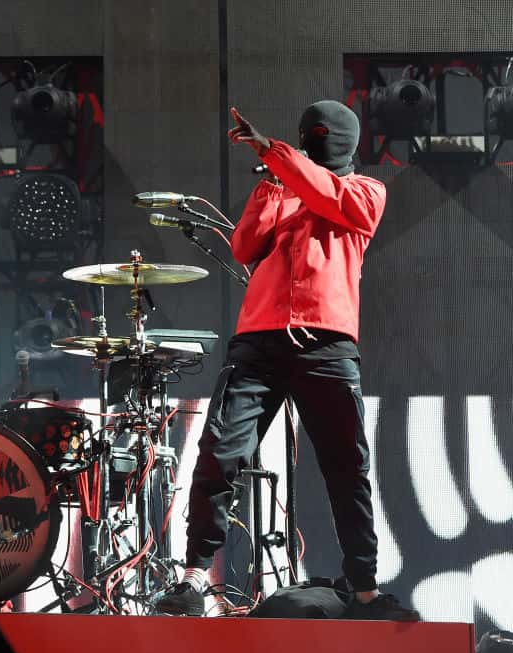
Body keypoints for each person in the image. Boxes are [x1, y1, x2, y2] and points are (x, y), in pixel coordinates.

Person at [155, 101, 419, 621]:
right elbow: (244, 244)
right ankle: (192, 578)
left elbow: (330, 195)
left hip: (326, 343)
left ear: (342, 140)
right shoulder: (282, 186)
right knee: (221, 451)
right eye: (308, 136)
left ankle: (365, 591)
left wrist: (279, 158)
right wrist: (273, 183)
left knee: (348, 468)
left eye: (320, 135)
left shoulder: (365, 191)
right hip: (260, 339)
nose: (313, 141)